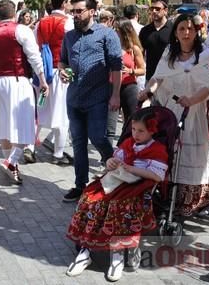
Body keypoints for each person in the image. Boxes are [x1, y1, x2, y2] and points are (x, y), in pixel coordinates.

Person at [138, 13, 209, 217]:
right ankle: (169, 198)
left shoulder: (207, 55)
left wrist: (191, 100)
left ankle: (197, 201)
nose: (186, 32)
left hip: (197, 112)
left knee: (194, 154)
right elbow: (158, 78)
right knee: (170, 152)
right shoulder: (168, 53)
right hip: (171, 111)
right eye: (181, 28)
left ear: (197, 31)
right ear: (175, 32)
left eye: (190, 28)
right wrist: (148, 91)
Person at [65, 109, 168, 281]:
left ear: (152, 130)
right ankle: (86, 248)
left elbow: (158, 176)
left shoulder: (157, 149)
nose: (136, 134)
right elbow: (114, 160)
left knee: (118, 206)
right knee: (89, 198)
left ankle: (117, 255)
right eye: (134, 129)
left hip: (139, 185)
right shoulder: (128, 143)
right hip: (116, 180)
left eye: (141, 131)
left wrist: (132, 169)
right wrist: (110, 162)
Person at [60, 0, 122, 203]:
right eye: (73, 11)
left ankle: (116, 169)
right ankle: (80, 185)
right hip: (74, 97)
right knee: (78, 143)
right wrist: (62, 71)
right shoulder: (69, 36)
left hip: (98, 96)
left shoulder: (107, 34)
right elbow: (62, 61)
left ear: (92, 11)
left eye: (79, 11)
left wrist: (115, 95)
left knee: (97, 137)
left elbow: (116, 67)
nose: (75, 15)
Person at [0, 0, 48, 184]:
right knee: (26, 122)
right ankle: (11, 161)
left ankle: (12, 165)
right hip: (17, 79)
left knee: (4, 125)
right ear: (14, 14)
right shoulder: (21, 30)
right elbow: (34, 57)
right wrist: (42, 79)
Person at [33, 0, 73, 165]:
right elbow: (73, 49)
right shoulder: (69, 22)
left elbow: (35, 47)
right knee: (63, 113)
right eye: (69, 1)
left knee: (40, 109)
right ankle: (58, 153)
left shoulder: (40, 23)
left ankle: (29, 147)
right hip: (60, 72)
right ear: (64, 3)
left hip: (42, 73)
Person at [107, 18, 146, 143]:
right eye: (113, 28)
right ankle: (107, 156)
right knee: (110, 123)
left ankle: (124, 149)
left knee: (131, 121)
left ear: (124, 31)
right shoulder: (109, 47)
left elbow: (142, 69)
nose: (114, 31)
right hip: (112, 87)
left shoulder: (133, 49)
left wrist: (131, 71)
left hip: (129, 86)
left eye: (117, 29)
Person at [138, 0, 172, 81]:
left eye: (157, 9)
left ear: (165, 11)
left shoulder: (174, 29)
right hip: (151, 78)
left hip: (171, 78)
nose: (153, 11)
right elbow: (140, 54)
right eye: (151, 8)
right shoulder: (144, 31)